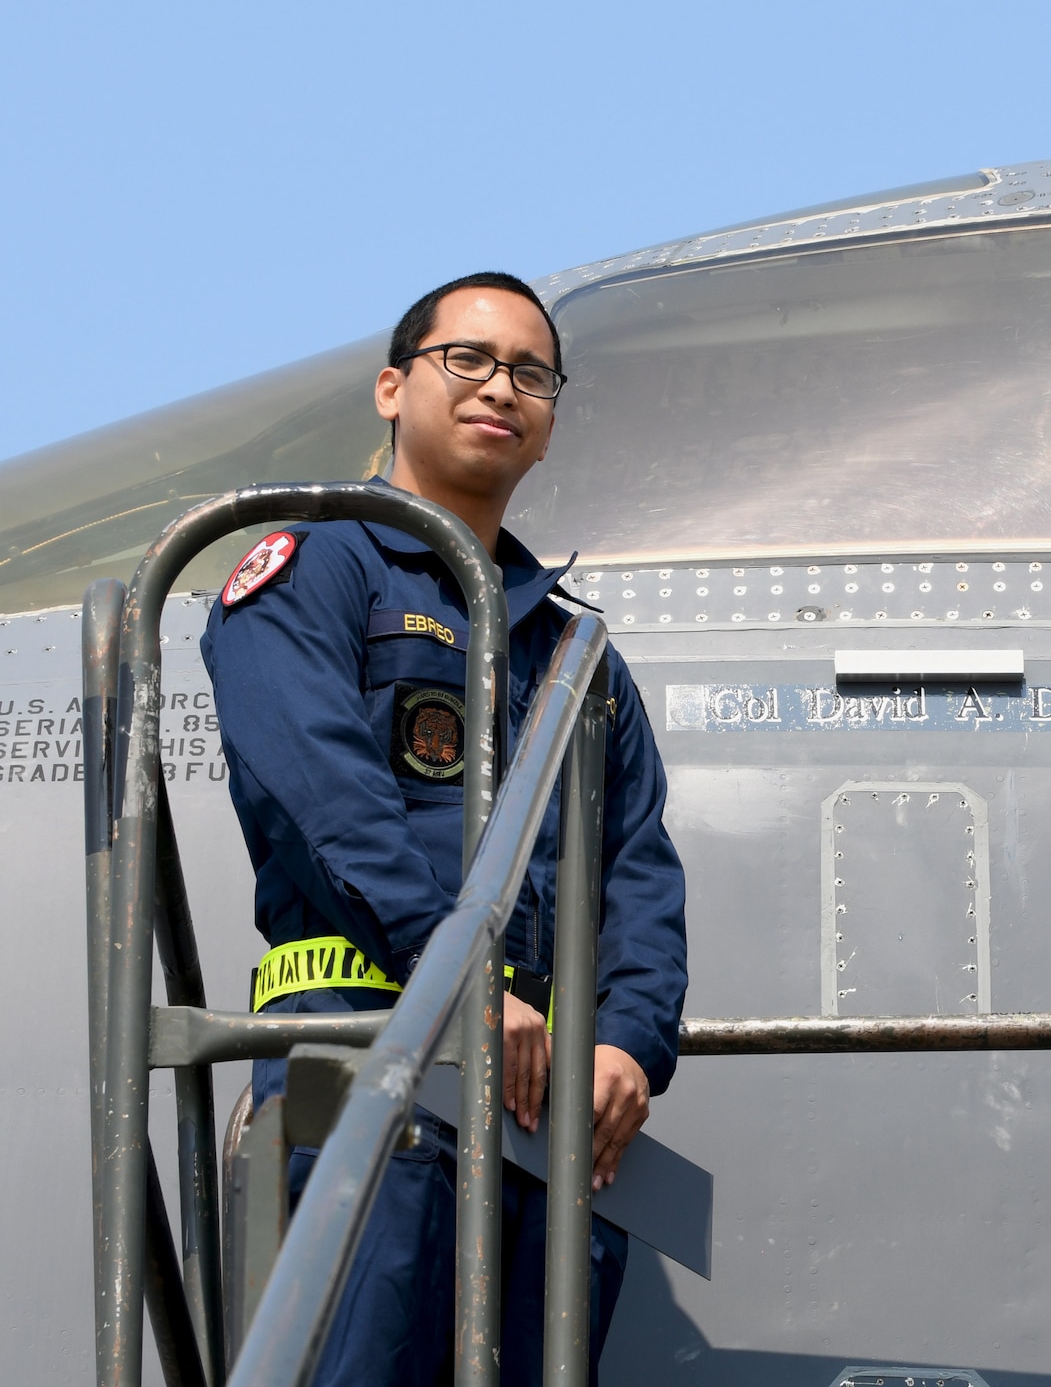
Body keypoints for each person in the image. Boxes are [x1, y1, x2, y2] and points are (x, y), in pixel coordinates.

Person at [202, 271, 689, 1385]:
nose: (499, 388)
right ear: (391, 386)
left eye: (530, 373)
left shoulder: (572, 655)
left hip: (536, 1110)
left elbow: (639, 865)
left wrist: (628, 1042)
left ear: (551, 420)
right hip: (364, 1060)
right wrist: (459, 971)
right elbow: (322, 799)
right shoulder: (312, 570)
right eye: (465, 359)